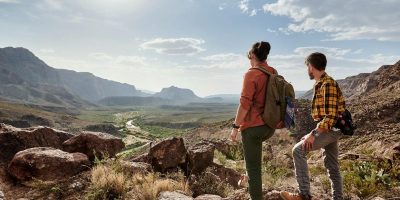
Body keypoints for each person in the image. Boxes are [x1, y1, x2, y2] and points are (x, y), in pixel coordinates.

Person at [280, 52, 345, 200]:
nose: (307, 70)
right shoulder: (321, 83)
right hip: (329, 128)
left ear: (311, 66)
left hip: (331, 129)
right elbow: (326, 117)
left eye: (307, 66)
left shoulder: (328, 84)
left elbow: (331, 116)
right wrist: (313, 132)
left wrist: (314, 134)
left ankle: (304, 195)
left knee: (297, 151)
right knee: (333, 168)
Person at [230, 41, 277, 200]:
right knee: (253, 165)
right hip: (269, 126)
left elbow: (244, 105)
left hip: (253, 128)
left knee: (254, 169)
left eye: (249, 57)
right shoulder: (272, 72)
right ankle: (248, 181)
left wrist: (235, 127)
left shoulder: (251, 74)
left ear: (252, 55)